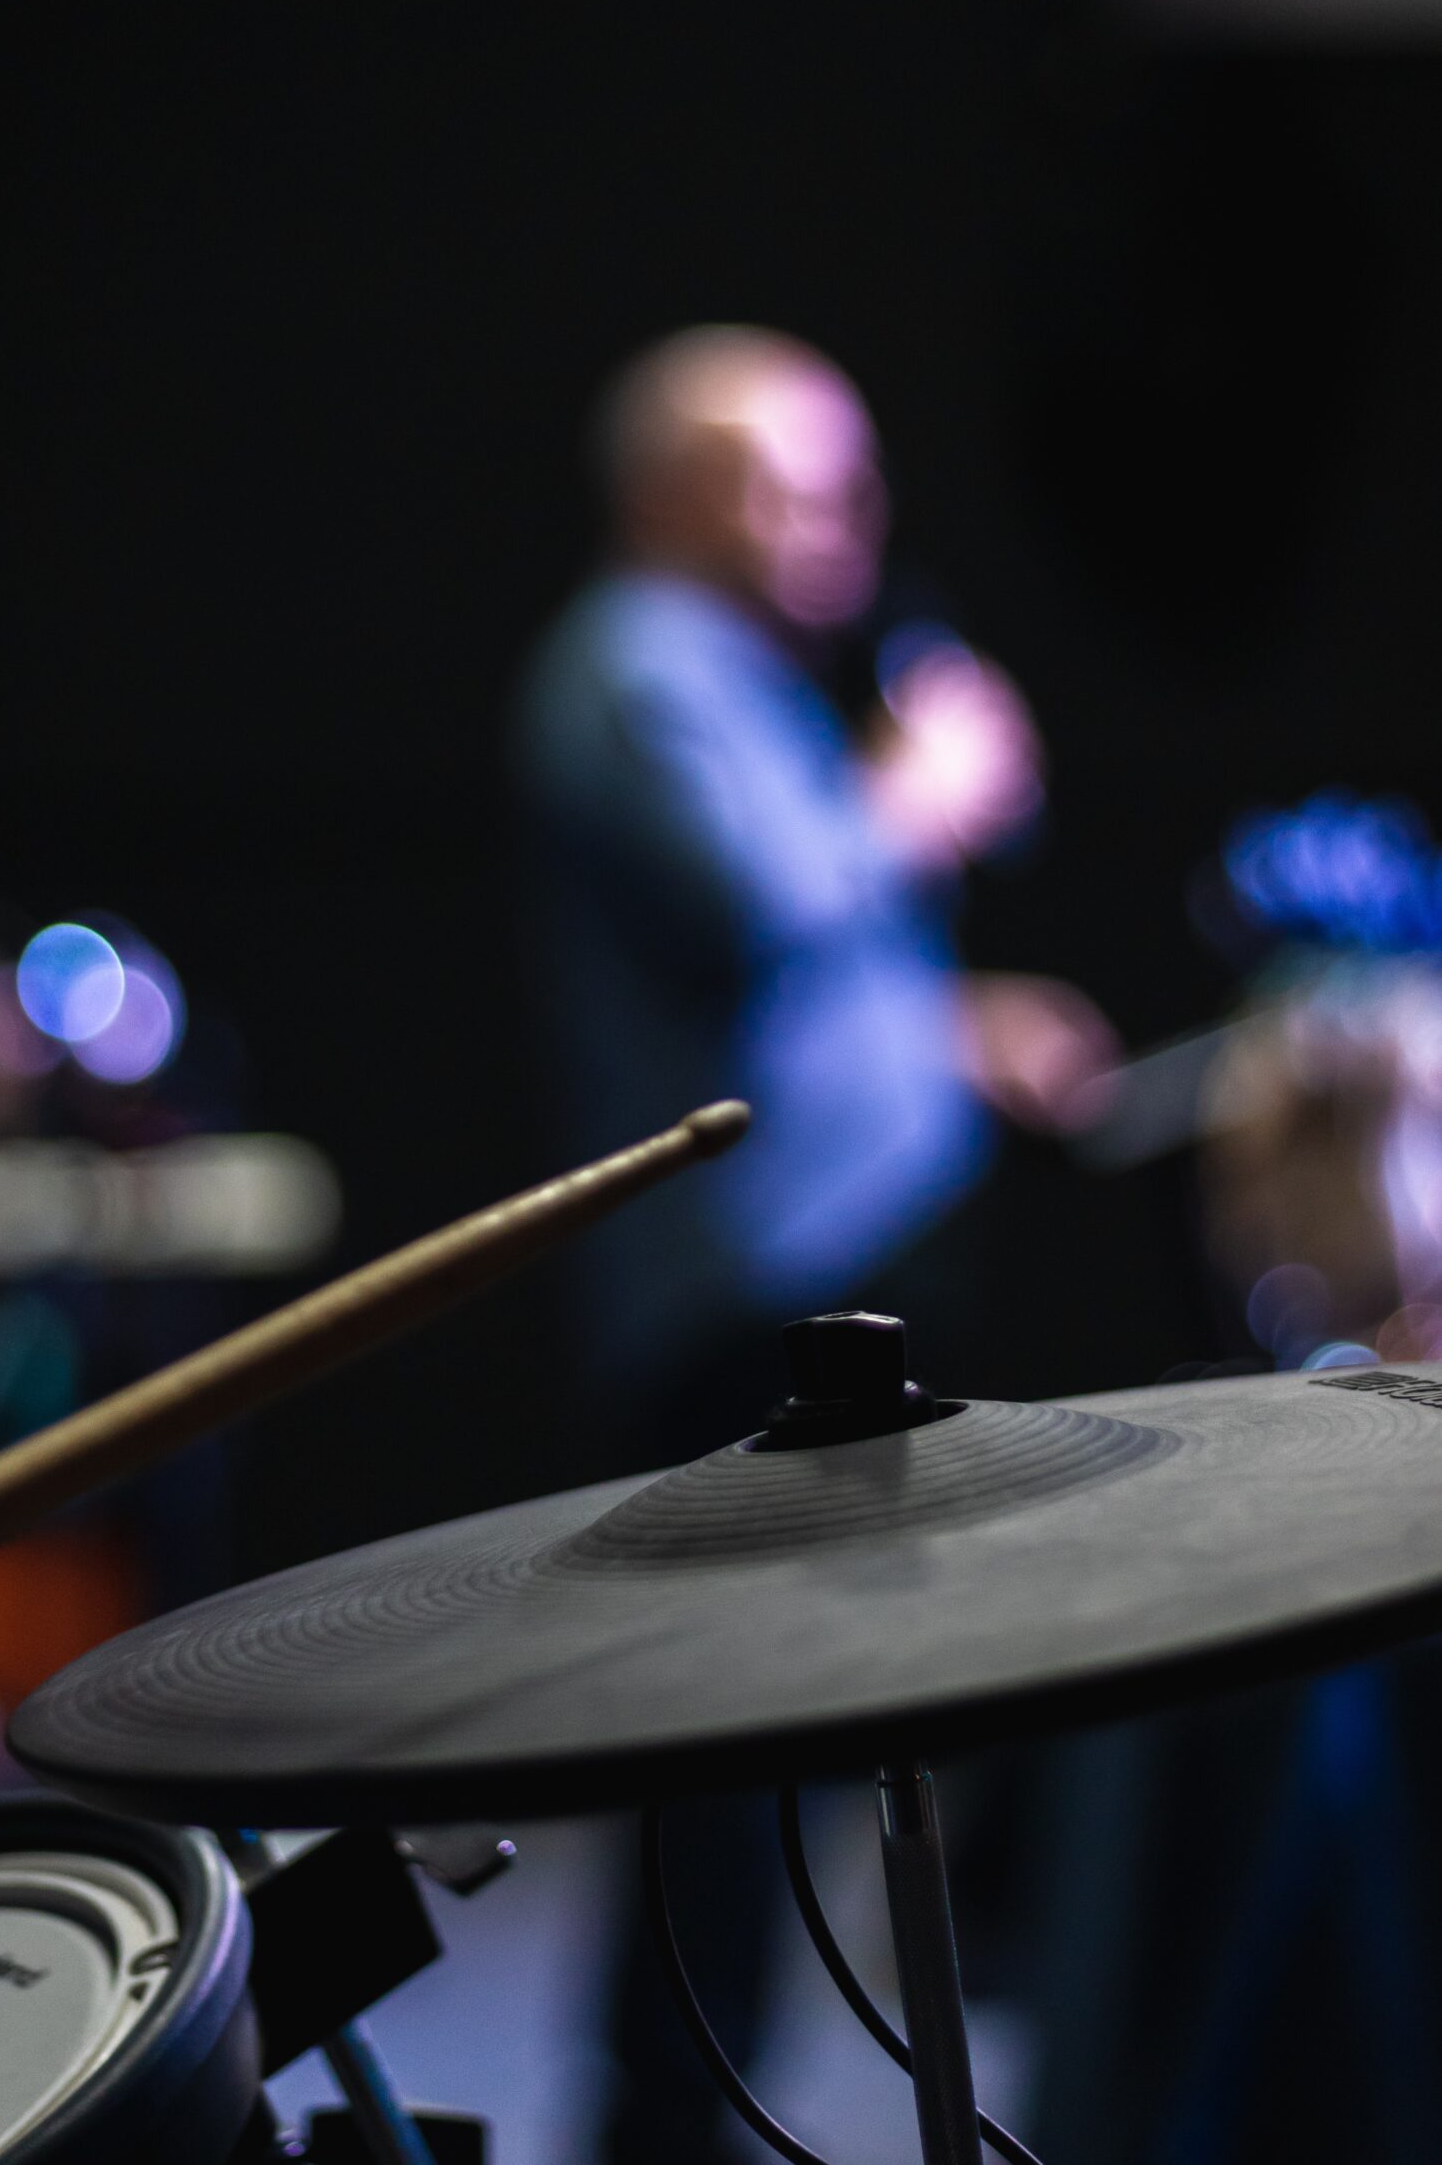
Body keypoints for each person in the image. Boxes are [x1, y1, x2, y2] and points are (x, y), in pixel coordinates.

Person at [512, 323, 1114, 2163]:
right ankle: (668, 2132)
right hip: (741, 1307)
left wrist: (956, 1030)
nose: (847, 516)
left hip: (826, 1284)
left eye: (855, 477)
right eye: (795, 479)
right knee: (728, 1769)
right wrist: (925, 790)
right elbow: (758, 899)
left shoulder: (752, 677)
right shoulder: (636, 664)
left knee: (818, 1747)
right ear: (668, 492)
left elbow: (787, 981)